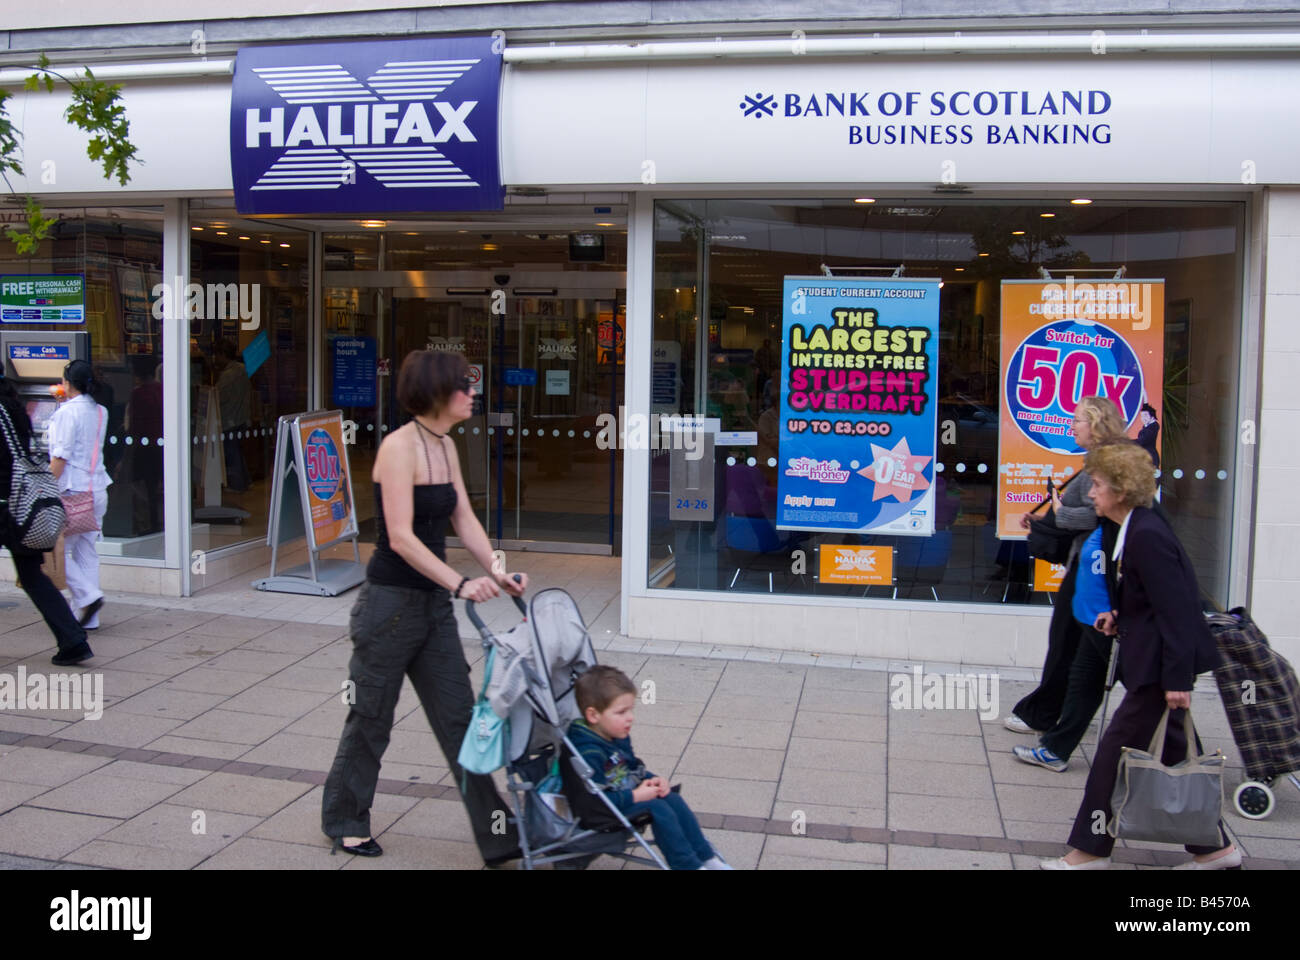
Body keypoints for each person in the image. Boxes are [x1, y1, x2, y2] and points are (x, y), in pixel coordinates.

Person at [321, 349, 527, 865]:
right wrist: (461, 584)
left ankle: (497, 833)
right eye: (464, 385)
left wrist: (496, 571)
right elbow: (401, 537)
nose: (472, 392)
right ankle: (345, 820)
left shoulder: (445, 445)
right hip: (388, 607)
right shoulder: (398, 447)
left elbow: (463, 517)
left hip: (432, 607)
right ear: (437, 392)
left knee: (462, 720)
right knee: (371, 717)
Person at [1043, 442, 1235, 870]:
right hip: (1152, 661)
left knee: (1113, 752)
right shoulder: (1133, 528)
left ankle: (1089, 852)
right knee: (1173, 749)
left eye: (1096, 485)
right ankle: (1216, 849)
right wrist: (1118, 616)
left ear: (1122, 490)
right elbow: (1150, 599)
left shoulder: (1146, 534)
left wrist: (1178, 681)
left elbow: (1180, 608)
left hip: (1159, 670)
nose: (1090, 493)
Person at [1004, 396, 1128, 751]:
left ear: (1097, 423)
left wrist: (1059, 513)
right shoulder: (1097, 460)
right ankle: (1052, 717)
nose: (1071, 426)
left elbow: (1100, 514)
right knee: (1078, 648)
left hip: (1095, 567)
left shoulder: (1107, 462)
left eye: (1077, 421)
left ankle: (1044, 714)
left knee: (1073, 644)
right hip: (1088, 562)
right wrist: (1049, 518)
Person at [568, 665, 731, 870]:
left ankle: (706, 857)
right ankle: (687, 865)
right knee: (657, 807)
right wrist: (637, 796)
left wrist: (652, 779)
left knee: (671, 796)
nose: (630, 717)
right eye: (621, 712)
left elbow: (632, 767)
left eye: (631, 710)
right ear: (593, 716)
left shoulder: (615, 735)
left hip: (622, 793)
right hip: (602, 809)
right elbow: (592, 802)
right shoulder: (588, 753)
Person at [0, 376, 93, 665]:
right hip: (21, 502)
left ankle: (73, 640)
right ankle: (73, 640)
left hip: (5, 500)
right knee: (32, 576)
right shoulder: (14, 406)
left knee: (32, 576)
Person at [47, 360, 111, 631]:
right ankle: (88, 617)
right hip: (97, 489)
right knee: (86, 552)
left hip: (73, 492)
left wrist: (45, 488)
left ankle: (88, 597)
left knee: (54, 550)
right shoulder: (100, 411)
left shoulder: (66, 413)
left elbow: (60, 456)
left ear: (68, 383)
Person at [1136, 402, 1160, 468]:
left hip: (1150, 459)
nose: (1143, 418)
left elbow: (1142, 441)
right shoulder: (1146, 426)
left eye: (1145, 415)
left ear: (1152, 417)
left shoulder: (1153, 426)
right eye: (1142, 416)